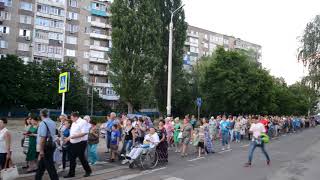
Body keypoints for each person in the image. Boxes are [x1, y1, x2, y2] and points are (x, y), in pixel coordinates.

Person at [63, 112, 92, 178]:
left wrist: (71, 137)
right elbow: (72, 133)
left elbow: (84, 133)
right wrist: (68, 138)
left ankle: (88, 171)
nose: (71, 119)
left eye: (72, 117)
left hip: (81, 143)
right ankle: (71, 173)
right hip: (73, 143)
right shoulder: (73, 123)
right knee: (72, 158)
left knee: (81, 158)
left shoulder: (83, 122)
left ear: (75, 117)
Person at [35, 109, 59, 180]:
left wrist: (41, 150)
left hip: (45, 147)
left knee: (50, 166)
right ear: (48, 114)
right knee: (41, 166)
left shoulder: (43, 123)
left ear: (41, 114)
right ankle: (37, 178)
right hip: (51, 145)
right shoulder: (52, 122)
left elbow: (43, 138)